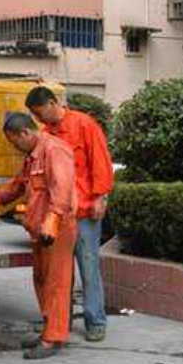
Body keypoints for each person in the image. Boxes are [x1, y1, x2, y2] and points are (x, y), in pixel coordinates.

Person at [0, 112, 78, 359]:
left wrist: (52, 220)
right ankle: (48, 330)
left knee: (56, 284)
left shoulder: (55, 150)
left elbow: (61, 189)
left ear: (25, 133)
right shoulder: (32, 158)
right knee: (41, 279)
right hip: (40, 229)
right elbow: (18, 185)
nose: (13, 146)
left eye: (13, 141)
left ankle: (53, 338)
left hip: (57, 229)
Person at [25, 87, 114, 342]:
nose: (39, 119)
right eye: (34, 115)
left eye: (39, 113)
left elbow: (100, 161)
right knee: (58, 274)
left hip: (84, 210)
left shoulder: (84, 125)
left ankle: (95, 320)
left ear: (53, 103)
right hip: (60, 216)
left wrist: (100, 196)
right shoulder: (44, 135)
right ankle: (58, 322)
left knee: (88, 267)